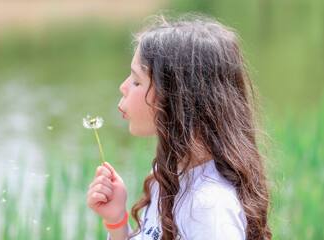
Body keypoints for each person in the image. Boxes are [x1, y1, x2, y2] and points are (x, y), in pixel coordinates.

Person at [87, 14, 272, 240]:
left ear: (176, 99)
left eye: (137, 81)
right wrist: (117, 221)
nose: (123, 86)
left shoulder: (209, 208)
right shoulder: (168, 177)